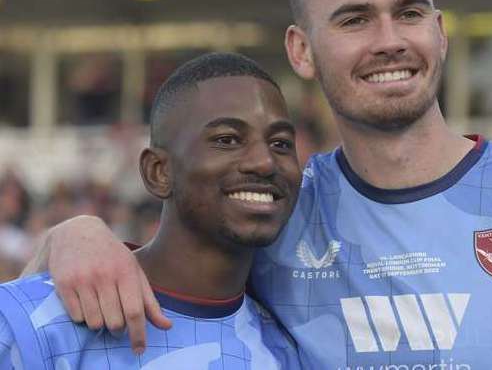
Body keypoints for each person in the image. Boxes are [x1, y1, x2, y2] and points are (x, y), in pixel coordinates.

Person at [25, 0, 492, 369]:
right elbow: (154, 277)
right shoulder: (274, 209)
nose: (389, 39)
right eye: (355, 19)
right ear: (302, 50)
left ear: (440, 33)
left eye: (410, 12)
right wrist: (74, 234)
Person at [0, 53, 302, 369]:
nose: (264, 162)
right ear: (158, 172)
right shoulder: (34, 321)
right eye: (227, 139)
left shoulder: (291, 344)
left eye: (281, 143)